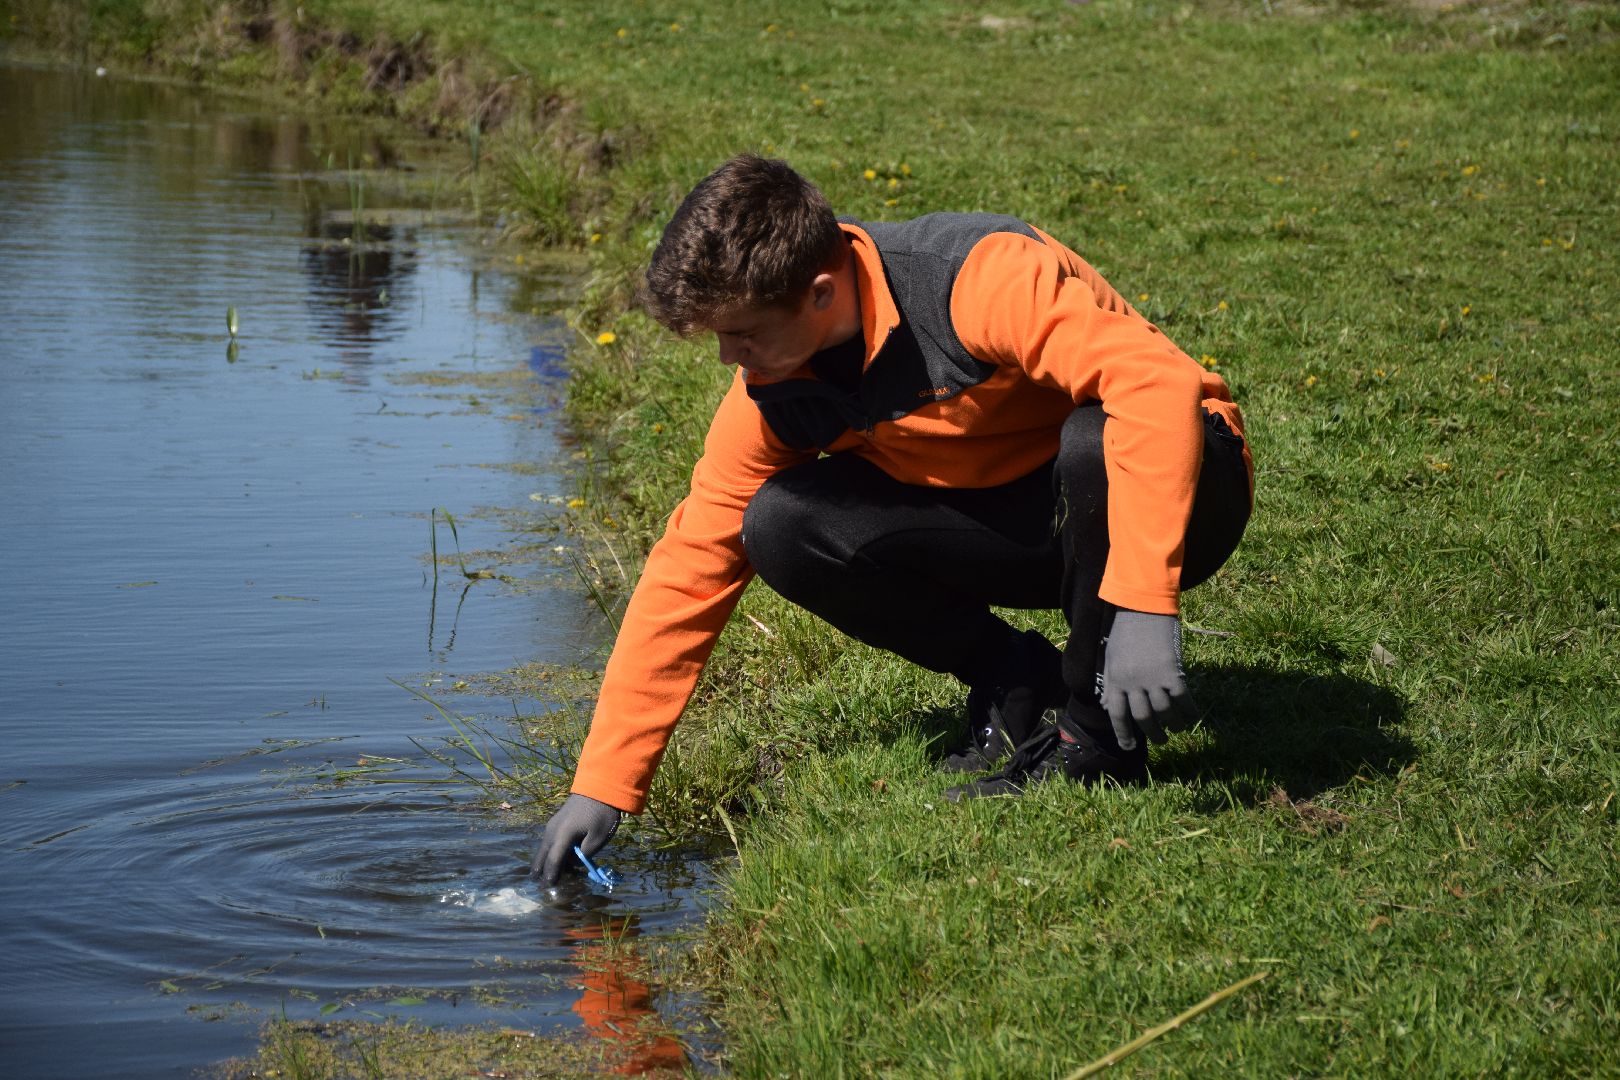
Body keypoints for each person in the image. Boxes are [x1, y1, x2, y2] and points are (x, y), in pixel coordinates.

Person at [530, 154, 1252, 883]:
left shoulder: (976, 278)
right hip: (1028, 523)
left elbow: (1158, 389)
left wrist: (1142, 600)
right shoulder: (775, 388)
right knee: (777, 524)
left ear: (818, 293)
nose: (727, 359)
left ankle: (1094, 744)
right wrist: (605, 785)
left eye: (742, 335)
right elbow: (689, 566)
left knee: (1093, 440)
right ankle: (1017, 678)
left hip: (1183, 488)